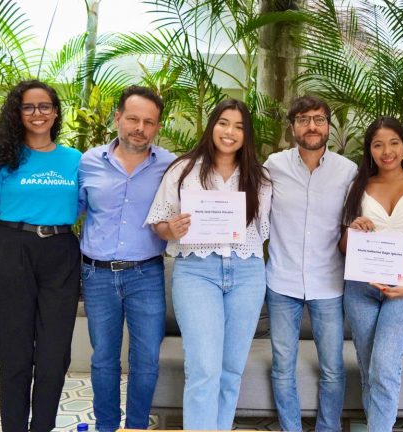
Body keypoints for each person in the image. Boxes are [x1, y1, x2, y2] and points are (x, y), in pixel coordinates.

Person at [145, 99, 271, 429]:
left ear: (247, 135)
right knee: (203, 369)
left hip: (247, 273)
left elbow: (262, 233)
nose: (230, 132)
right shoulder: (183, 170)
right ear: (212, 125)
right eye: (223, 123)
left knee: (231, 370)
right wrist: (170, 228)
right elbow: (159, 221)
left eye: (239, 126)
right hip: (197, 271)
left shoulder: (260, 177)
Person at [0, 80, 82, 432]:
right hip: (11, 250)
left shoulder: (75, 160)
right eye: (29, 107)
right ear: (17, 113)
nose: (37, 113)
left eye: (45, 106)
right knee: (16, 360)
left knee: (53, 359)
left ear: (56, 111)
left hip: (61, 254)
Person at [78, 86, 175, 431]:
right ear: (117, 118)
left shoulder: (170, 166)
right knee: (104, 359)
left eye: (149, 122)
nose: (140, 127)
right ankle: (106, 427)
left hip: (146, 275)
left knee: (146, 359)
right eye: (133, 118)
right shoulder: (88, 162)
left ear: (157, 126)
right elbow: (71, 210)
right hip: (97, 276)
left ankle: (135, 428)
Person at [339, 116, 403, 431]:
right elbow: (344, 246)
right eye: (378, 144)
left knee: (384, 366)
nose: (387, 151)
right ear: (370, 151)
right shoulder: (357, 187)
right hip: (361, 288)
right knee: (371, 367)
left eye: (393, 143)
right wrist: (353, 230)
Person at [264, 96, 356, 431]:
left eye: (318, 119)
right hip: (281, 281)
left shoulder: (347, 171)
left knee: (332, 368)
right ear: (293, 128)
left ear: (329, 125)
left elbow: (355, 220)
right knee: (282, 366)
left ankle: (327, 428)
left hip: (328, 283)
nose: (312, 126)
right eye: (303, 119)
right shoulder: (273, 166)